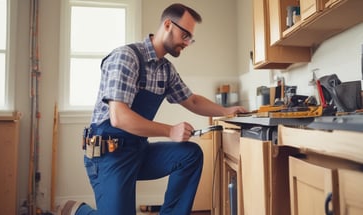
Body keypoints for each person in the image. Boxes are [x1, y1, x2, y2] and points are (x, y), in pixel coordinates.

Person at [58, 3, 247, 215]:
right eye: (185, 35)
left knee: (190, 155)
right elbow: (119, 117)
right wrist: (170, 131)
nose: (187, 43)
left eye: (190, 38)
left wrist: (225, 111)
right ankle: (77, 211)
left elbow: (192, 101)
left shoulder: (166, 70)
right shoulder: (126, 57)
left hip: (137, 150)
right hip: (109, 155)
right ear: (167, 25)